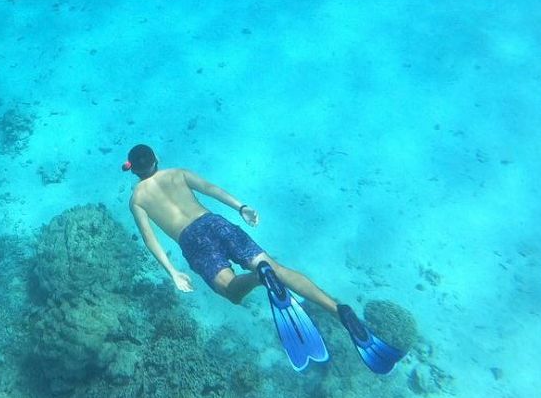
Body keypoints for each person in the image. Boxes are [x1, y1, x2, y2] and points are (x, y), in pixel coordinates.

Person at [123, 143, 403, 374]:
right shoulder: (178, 173)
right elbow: (211, 189)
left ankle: (259, 278)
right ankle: (337, 308)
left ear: (132, 169)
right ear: (157, 158)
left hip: (191, 240)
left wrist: (172, 271)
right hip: (215, 222)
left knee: (231, 290)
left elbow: (150, 238)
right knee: (277, 268)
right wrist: (241, 207)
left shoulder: (137, 197)